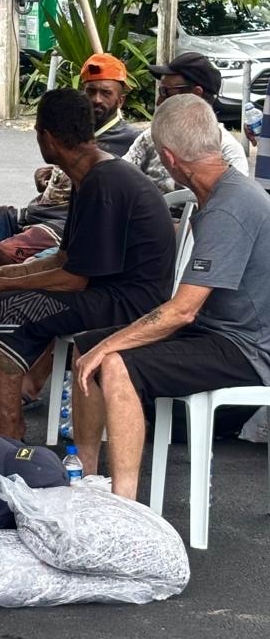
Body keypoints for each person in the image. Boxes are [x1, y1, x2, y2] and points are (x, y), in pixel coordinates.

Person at [0, 87, 175, 442]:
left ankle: (8, 426)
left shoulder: (103, 183)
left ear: (48, 138)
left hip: (131, 305)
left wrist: (0, 283)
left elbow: (73, 279)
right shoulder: (91, 175)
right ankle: (5, 413)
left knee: (3, 310)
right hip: (111, 292)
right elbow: (62, 257)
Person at [73, 94, 270, 498]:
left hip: (248, 348)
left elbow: (182, 311)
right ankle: (85, 477)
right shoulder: (219, 193)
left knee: (115, 362)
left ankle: (123, 506)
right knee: (87, 347)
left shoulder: (230, 206)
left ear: (168, 158)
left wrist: (110, 346)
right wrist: (102, 345)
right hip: (216, 331)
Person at [0, 53, 140, 349]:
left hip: (59, 224)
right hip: (33, 212)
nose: (97, 99)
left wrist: (0, 280)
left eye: (105, 93)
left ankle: (16, 346)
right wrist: (48, 173)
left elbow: (78, 266)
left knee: (5, 255)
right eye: (91, 91)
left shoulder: (127, 143)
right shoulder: (74, 128)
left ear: (121, 100)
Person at [123, 52, 247, 191]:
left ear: (196, 94)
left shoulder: (228, 151)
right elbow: (119, 178)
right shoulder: (150, 137)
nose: (159, 101)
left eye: (166, 92)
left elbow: (235, 198)